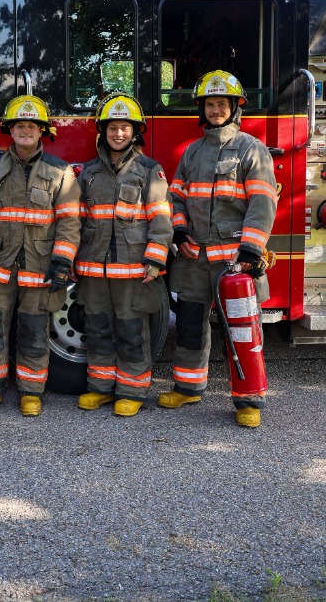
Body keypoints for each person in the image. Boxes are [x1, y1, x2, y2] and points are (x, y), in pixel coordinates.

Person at [158, 70, 277, 428]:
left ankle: (247, 400)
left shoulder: (251, 149)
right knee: (191, 326)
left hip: (234, 262)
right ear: (202, 109)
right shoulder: (192, 153)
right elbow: (175, 198)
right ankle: (188, 387)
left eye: (222, 103)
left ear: (235, 108)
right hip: (195, 260)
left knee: (241, 331)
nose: (215, 109)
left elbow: (263, 202)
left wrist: (251, 251)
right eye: (210, 104)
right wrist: (179, 235)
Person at [0, 94, 81, 416]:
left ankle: (31, 392)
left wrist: (62, 261)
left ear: (42, 130)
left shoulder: (61, 172)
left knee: (34, 329)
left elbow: (70, 222)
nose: (25, 131)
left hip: (40, 267)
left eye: (31, 125)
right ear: (10, 130)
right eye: (19, 125)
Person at [74, 93, 173, 416]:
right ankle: (101, 388)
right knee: (98, 328)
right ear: (103, 131)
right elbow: (76, 218)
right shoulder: (88, 172)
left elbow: (161, 218)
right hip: (94, 268)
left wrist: (156, 259)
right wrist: (71, 259)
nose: (119, 134)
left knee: (132, 331)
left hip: (132, 269)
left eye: (125, 128)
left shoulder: (149, 170)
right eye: (113, 128)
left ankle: (132, 390)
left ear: (135, 132)